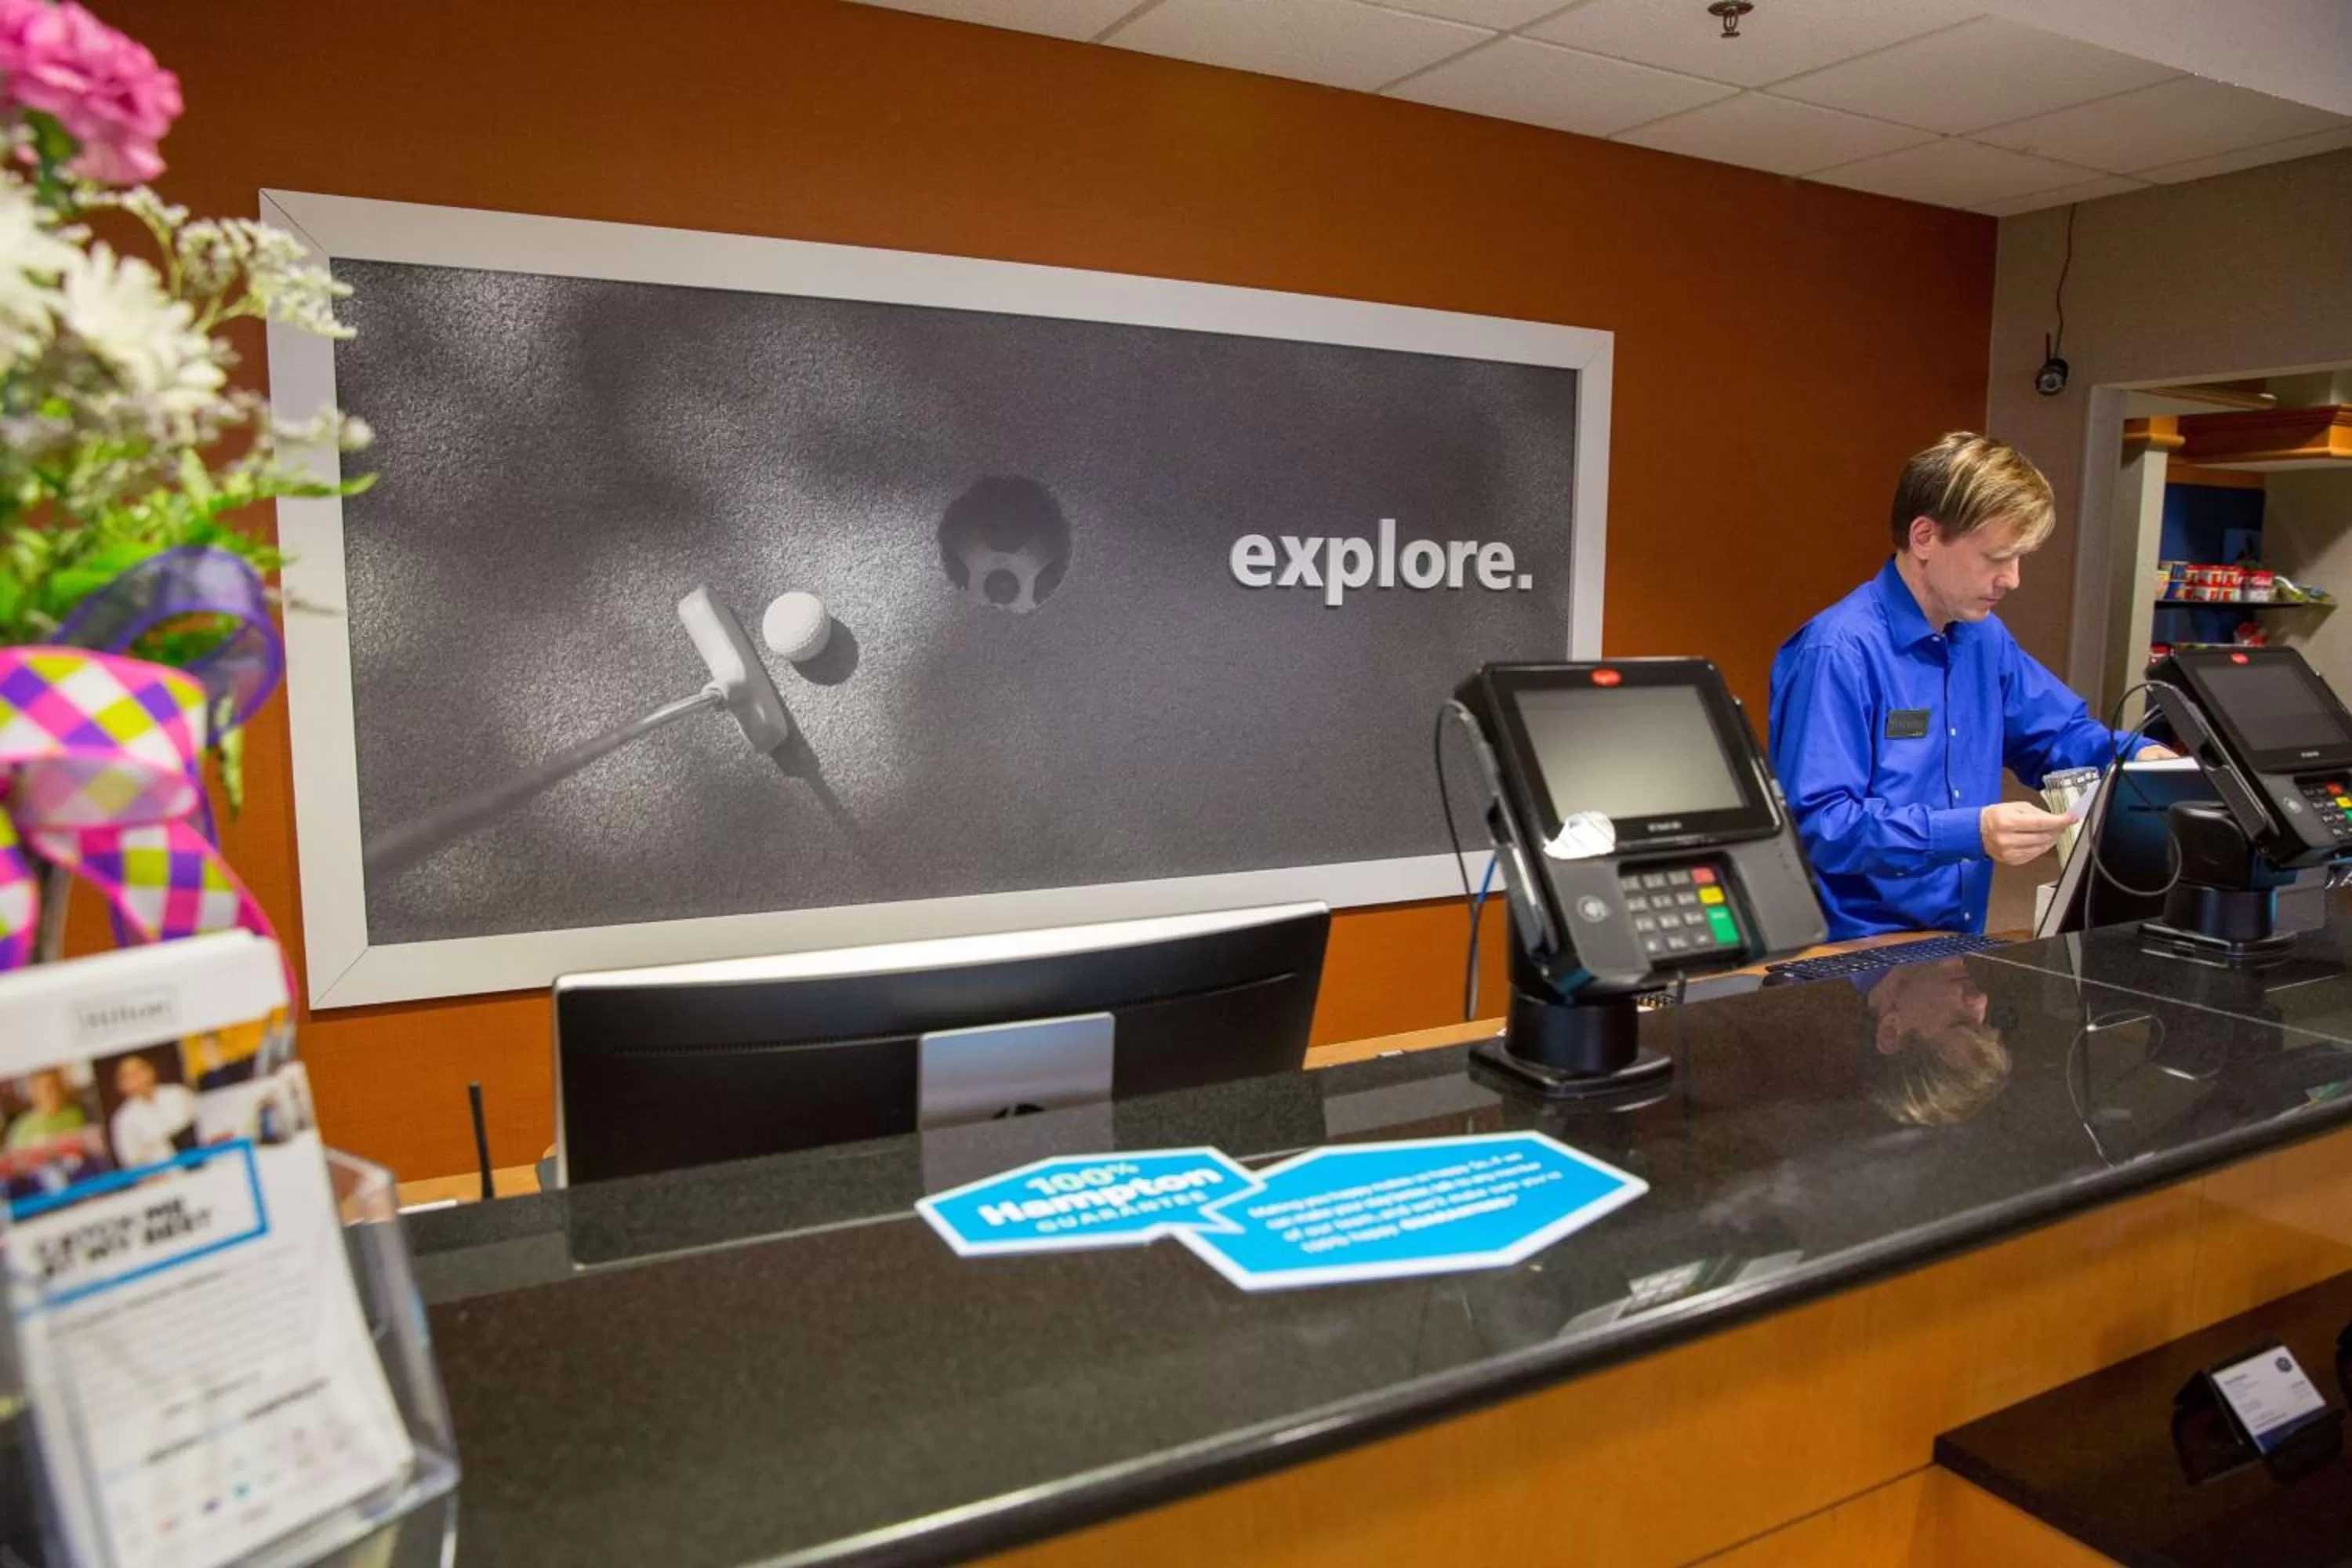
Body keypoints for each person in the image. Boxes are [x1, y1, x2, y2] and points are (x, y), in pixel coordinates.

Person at [1769, 432, 2173, 938]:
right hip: (1849, 958)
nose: (2014, 579)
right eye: (1997, 557)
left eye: (2021, 558)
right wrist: (1971, 832)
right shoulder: (1838, 651)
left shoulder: (1984, 639)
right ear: (1924, 538)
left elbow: (2057, 737)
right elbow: (1821, 825)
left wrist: (2144, 759)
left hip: (1955, 944)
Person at [108, 1052, 198, 1170]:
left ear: (151, 1070)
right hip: (161, 1178)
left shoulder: (178, 1093)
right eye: (129, 1075)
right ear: (121, 1085)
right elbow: (130, 1160)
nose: (137, 1077)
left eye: (140, 1069)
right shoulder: (122, 1119)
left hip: (198, 1163)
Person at [4, 1069, 87, 1151]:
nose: (55, 1094)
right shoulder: (22, 1127)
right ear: (36, 1093)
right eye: (48, 1089)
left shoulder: (76, 1115)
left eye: (57, 1086)